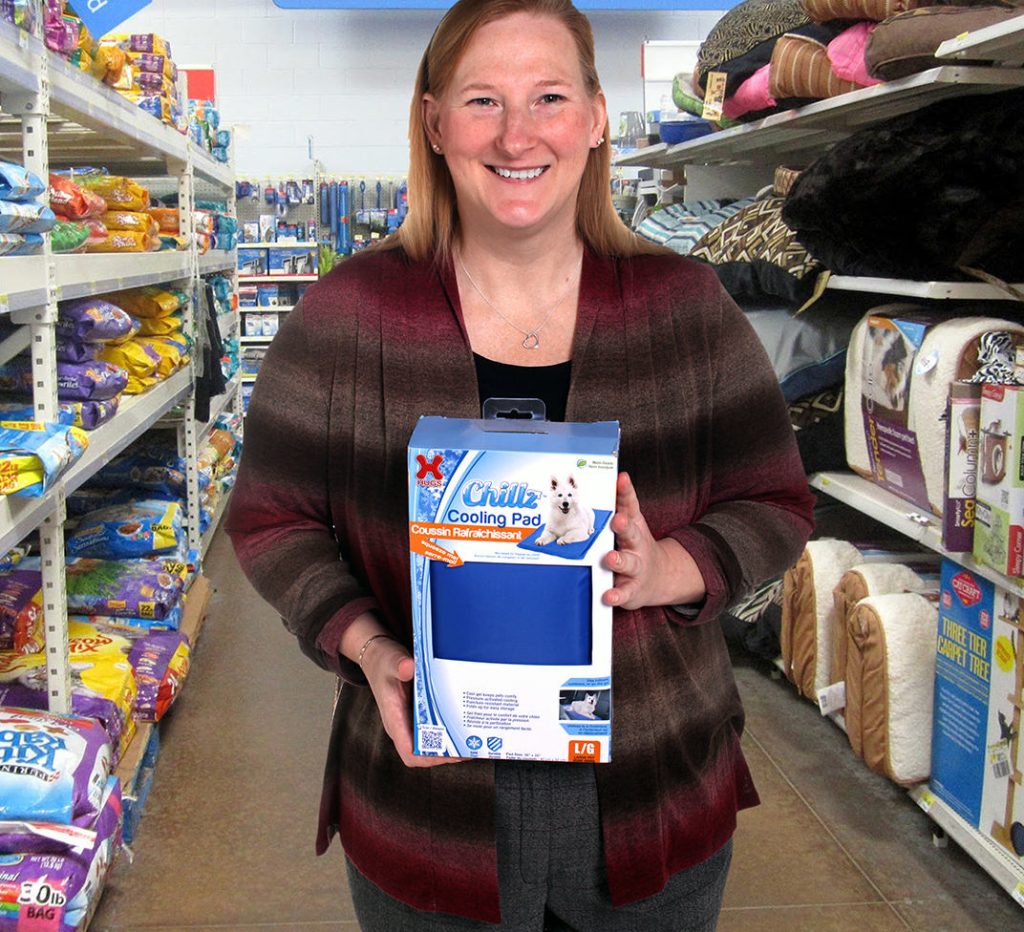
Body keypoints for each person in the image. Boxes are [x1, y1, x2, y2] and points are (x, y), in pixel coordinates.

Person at [225, 0, 815, 928]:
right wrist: (365, 645)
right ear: (432, 121)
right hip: (431, 814)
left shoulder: (685, 307)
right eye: (481, 102)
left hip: (654, 796)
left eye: (547, 97)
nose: (516, 136)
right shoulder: (347, 317)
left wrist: (674, 567)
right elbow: (271, 517)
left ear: (595, 116)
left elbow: (774, 500)